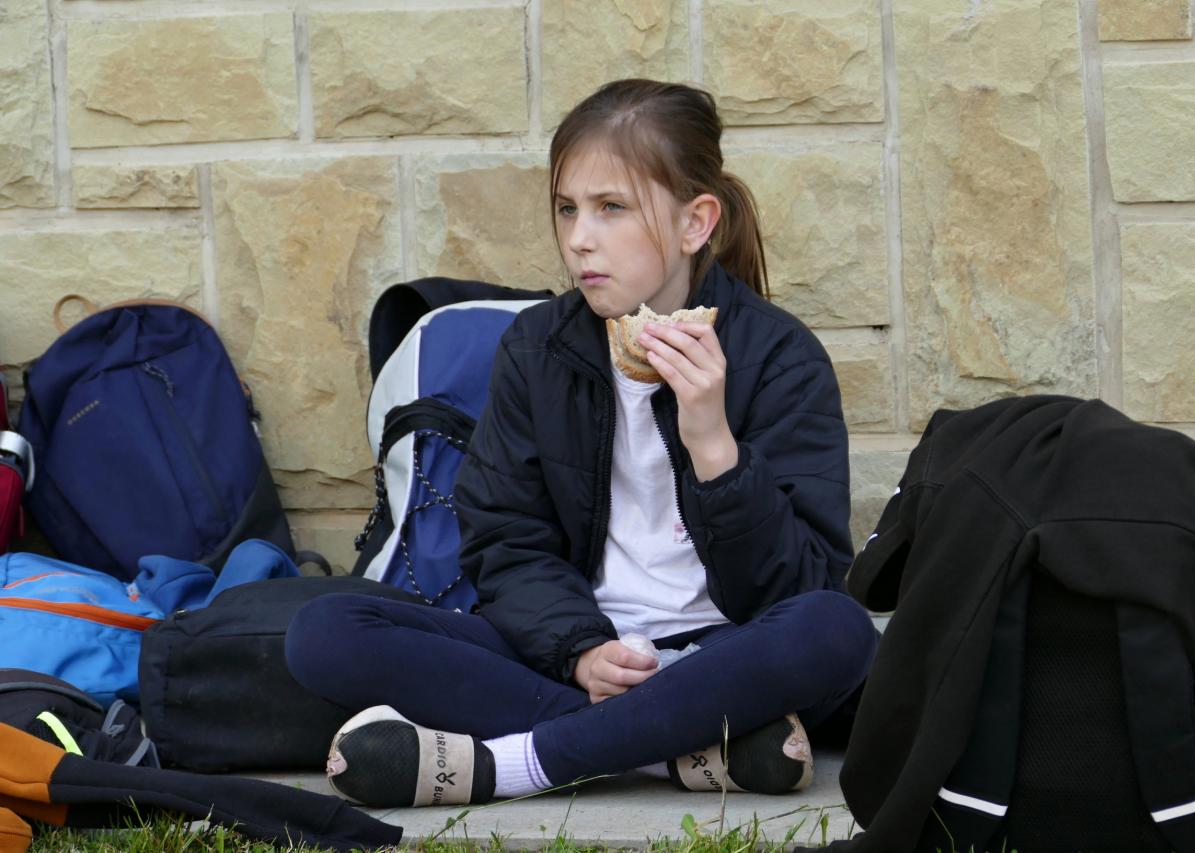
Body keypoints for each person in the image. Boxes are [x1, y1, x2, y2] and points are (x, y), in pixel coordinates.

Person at [284, 78, 879, 808]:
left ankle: (512, 764)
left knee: (835, 630)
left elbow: (804, 586)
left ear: (695, 223)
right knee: (326, 630)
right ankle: (680, 746)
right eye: (567, 208)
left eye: (611, 208)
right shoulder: (536, 348)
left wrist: (714, 446)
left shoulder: (781, 357)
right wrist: (581, 649)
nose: (578, 239)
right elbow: (505, 542)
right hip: (574, 657)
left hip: (727, 654)